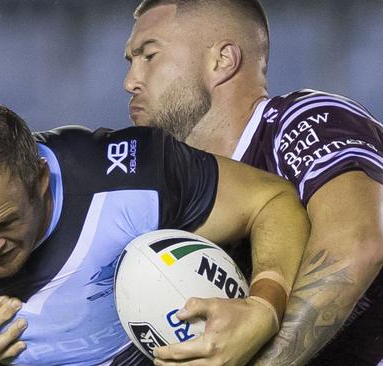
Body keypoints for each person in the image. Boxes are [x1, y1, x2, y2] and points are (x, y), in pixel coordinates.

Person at [0, 101, 309, 365]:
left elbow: (272, 200)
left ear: (41, 182)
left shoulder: (133, 175)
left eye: (5, 222)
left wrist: (264, 307)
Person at [124, 0, 383, 365]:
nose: (130, 81)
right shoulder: (171, 196)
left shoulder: (304, 120)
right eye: (130, 62)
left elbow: (356, 245)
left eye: (148, 56)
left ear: (223, 60)